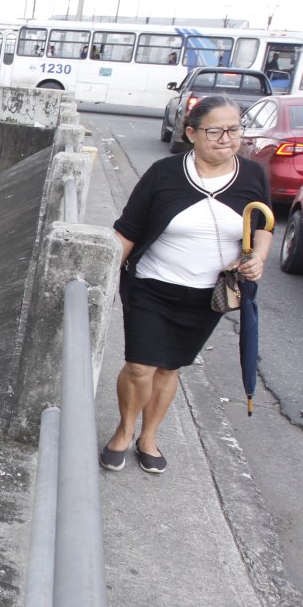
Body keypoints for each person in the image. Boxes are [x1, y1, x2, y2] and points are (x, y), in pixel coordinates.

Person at [100, 95, 271, 474]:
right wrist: (101, 277)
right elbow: (127, 231)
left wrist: (257, 257)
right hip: (151, 286)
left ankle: (149, 437)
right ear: (191, 133)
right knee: (140, 366)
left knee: (169, 368)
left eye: (234, 129)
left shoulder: (252, 176)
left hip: (207, 298)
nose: (226, 139)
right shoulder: (163, 174)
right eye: (215, 131)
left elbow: (263, 226)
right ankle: (124, 431)